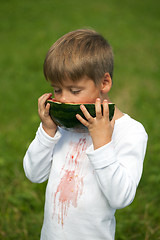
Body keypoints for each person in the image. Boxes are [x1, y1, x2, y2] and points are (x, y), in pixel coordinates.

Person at [23, 29, 148, 240]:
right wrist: (47, 131)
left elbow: (121, 198)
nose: (63, 100)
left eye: (74, 91)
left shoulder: (131, 132)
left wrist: (102, 142)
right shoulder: (61, 127)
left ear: (104, 83)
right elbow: (34, 175)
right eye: (57, 90)